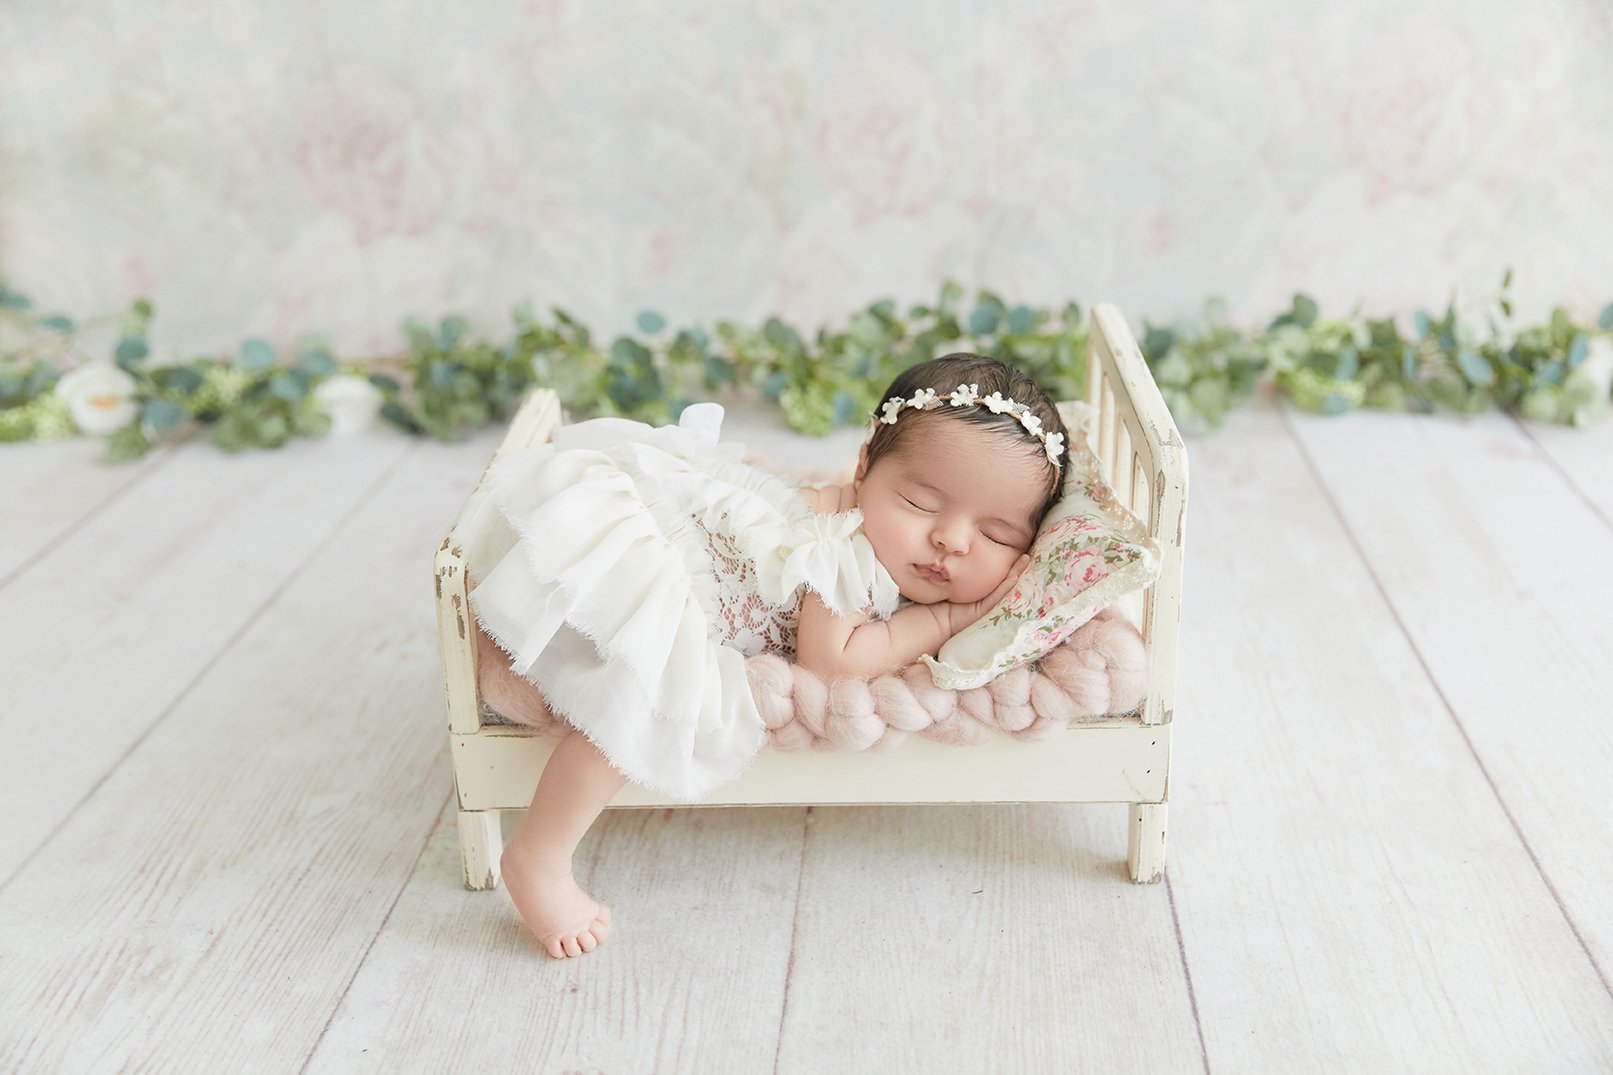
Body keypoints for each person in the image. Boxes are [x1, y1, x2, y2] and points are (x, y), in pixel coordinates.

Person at [462, 353, 1070, 958]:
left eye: (996, 535)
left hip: (655, 546)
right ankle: (539, 855)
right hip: (648, 571)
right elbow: (833, 664)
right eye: (920, 503)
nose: (952, 539)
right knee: (643, 696)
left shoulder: (891, 538)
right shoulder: (846, 543)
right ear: (862, 470)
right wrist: (947, 618)